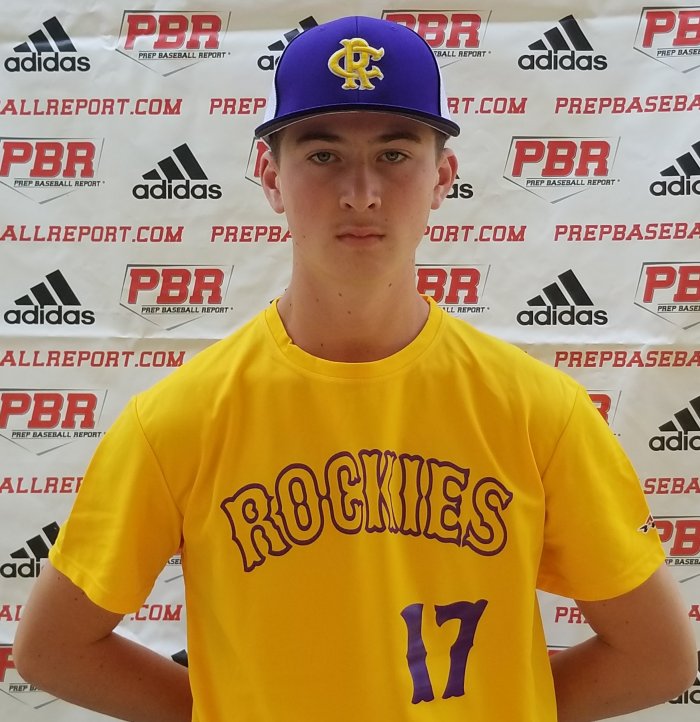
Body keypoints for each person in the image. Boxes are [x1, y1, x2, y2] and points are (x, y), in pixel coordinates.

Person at [13, 15, 696, 722]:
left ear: (443, 177)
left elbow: (657, 657)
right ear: (270, 176)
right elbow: (54, 648)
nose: (361, 191)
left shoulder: (536, 411)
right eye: (323, 155)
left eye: (395, 154)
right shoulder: (179, 420)